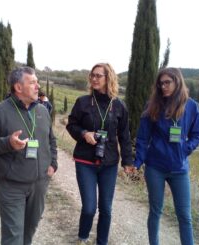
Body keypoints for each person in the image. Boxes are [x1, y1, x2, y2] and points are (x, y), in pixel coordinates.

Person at [0, 66, 58, 245]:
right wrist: (8, 143)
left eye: (37, 82)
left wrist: (53, 164)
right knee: (13, 236)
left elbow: (52, 140)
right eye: (32, 83)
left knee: (29, 232)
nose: (38, 86)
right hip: (11, 185)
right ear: (18, 87)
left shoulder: (43, 111)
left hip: (39, 184)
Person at [66, 63, 134, 245]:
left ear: (108, 78)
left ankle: (102, 241)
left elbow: (124, 135)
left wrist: (128, 161)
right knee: (89, 208)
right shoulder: (82, 102)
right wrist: (83, 133)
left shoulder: (119, 106)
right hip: (85, 161)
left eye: (99, 76)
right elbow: (71, 125)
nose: (94, 79)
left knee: (106, 208)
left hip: (109, 163)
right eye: (92, 75)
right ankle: (83, 237)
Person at [133, 67, 199, 245]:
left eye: (167, 82)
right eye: (161, 83)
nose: (163, 86)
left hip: (179, 169)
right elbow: (142, 137)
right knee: (156, 211)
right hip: (155, 167)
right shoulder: (153, 105)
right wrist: (138, 161)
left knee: (184, 216)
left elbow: (196, 136)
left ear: (177, 82)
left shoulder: (191, 106)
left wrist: (185, 149)